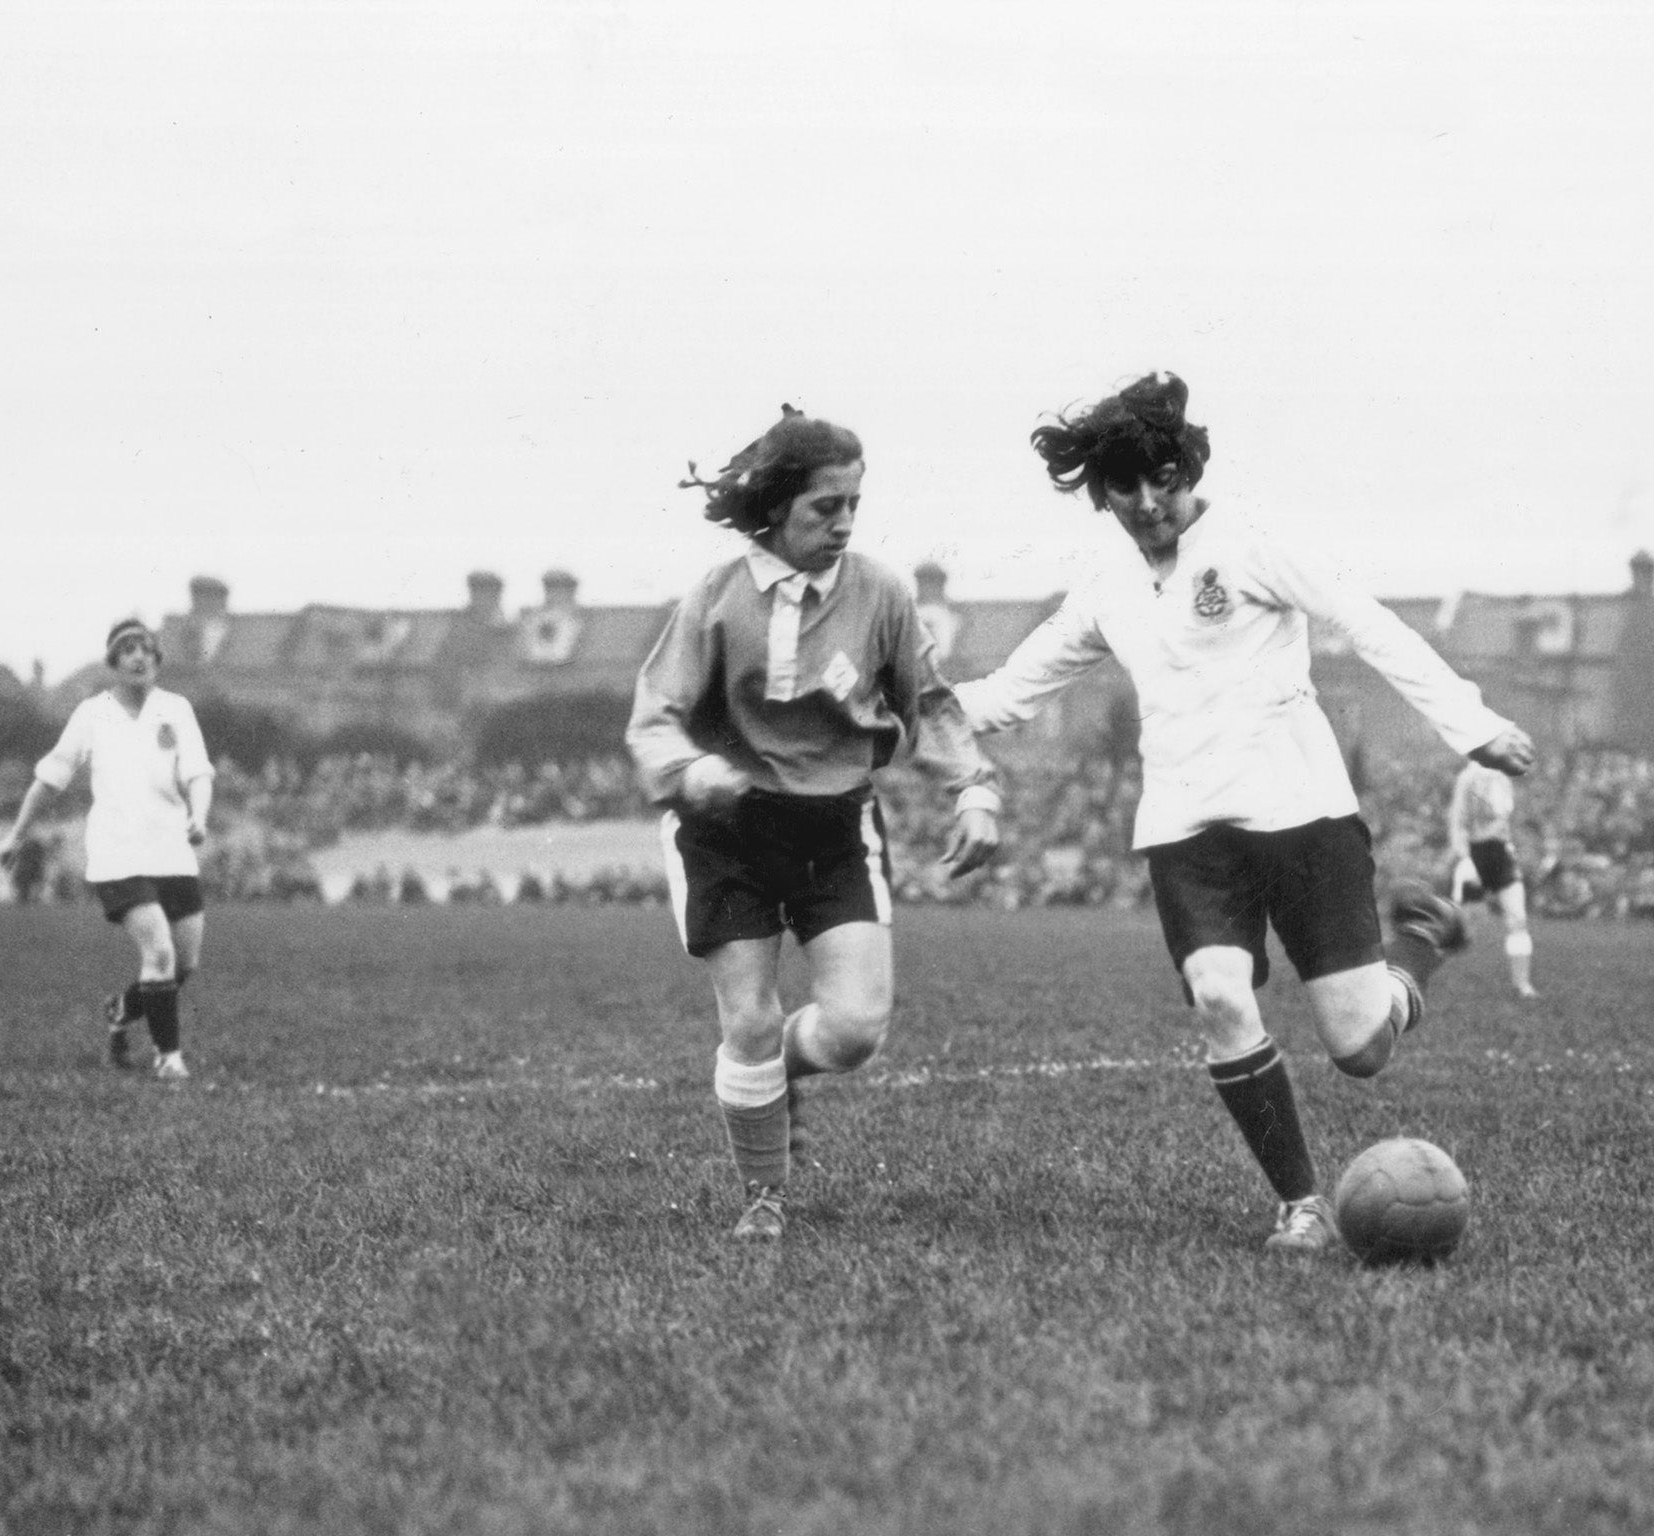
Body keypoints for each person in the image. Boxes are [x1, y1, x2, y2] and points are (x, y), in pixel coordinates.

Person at [956, 373, 1536, 1253]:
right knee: (1221, 994)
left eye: (1165, 478)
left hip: (1302, 814)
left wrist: (1474, 726)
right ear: (1102, 492)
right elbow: (1006, 694)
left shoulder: (1253, 544)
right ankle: (1300, 1204)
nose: (1150, 503)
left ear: (1189, 466)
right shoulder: (1106, 585)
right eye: (1126, 487)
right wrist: (893, 713)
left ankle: (1421, 944)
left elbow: (1368, 623)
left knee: (1360, 1048)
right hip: (1188, 833)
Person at [627, 406, 1002, 1241]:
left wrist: (973, 790)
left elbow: (929, 703)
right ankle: (765, 1196)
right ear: (775, 510)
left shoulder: (881, 593)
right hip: (725, 829)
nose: (842, 525)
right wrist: (692, 770)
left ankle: (774, 1073)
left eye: (852, 506)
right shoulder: (717, 599)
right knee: (749, 1019)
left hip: (834, 826)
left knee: (855, 1031)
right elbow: (654, 716)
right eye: (822, 508)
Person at [0, 619, 215, 1080]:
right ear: (114, 662)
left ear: (158, 661)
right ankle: (169, 1057)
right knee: (158, 953)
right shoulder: (91, 714)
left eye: (147, 649)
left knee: (184, 962)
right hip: (117, 854)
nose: (138, 656)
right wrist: (16, 835)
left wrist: (199, 815)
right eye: (128, 649)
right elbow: (49, 778)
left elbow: (198, 772)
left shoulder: (176, 709)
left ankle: (121, 1009)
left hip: (172, 851)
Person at [1447, 759, 1539, 998]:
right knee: (1465, 925)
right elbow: (1458, 821)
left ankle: (1523, 984)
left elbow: (1504, 819)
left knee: (1517, 918)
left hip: (1501, 854)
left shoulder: (1502, 776)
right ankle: (1434, 973)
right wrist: (1464, 858)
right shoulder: (1467, 778)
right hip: (1475, 854)